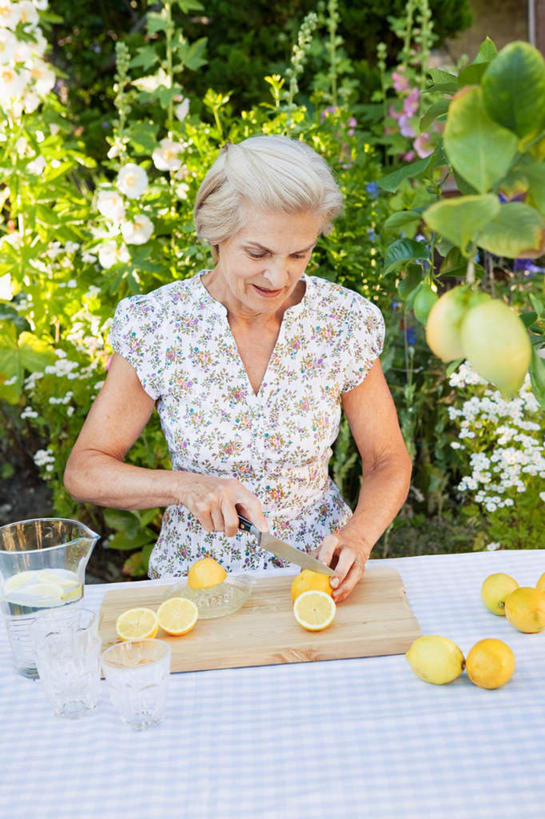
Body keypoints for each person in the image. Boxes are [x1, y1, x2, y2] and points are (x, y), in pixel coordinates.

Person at [64, 134, 411, 603]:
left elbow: (387, 459)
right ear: (215, 234)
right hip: (198, 581)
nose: (278, 278)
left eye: (299, 254)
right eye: (258, 253)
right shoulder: (159, 325)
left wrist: (360, 535)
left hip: (318, 573)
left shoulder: (342, 321)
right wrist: (187, 487)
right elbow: (85, 470)